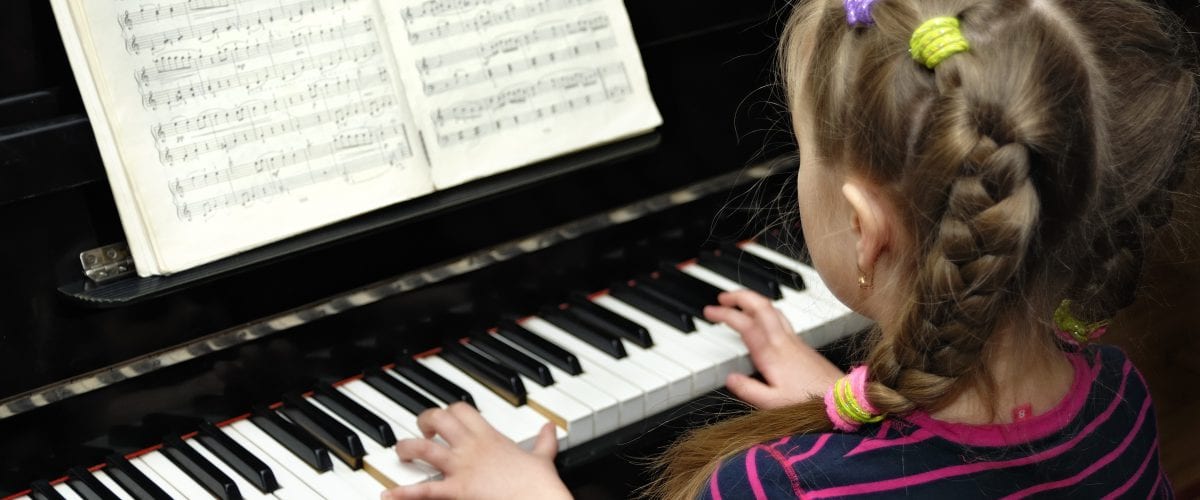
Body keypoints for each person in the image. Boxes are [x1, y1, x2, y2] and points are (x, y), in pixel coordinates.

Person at [380, 0, 1198, 497]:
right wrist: (849, 398)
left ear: (865, 229)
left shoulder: (785, 487)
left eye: (802, 149)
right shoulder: (1118, 399)